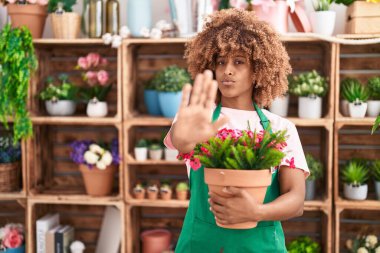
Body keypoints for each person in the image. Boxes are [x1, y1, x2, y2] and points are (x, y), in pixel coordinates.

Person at [163, 8, 309, 252]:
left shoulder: (281, 128)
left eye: (239, 62)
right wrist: (182, 134)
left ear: (257, 71)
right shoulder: (199, 118)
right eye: (221, 62)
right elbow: (182, 141)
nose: (227, 70)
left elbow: (296, 201)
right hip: (201, 245)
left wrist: (256, 212)